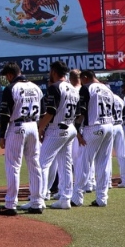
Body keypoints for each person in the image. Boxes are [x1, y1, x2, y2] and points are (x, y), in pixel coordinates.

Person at [0, 61, 44, 215]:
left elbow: (4, 114)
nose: (6, 78)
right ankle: (37, 202)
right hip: (33, 126)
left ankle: (10, 204)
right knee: (35, 164)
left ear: (10, 74)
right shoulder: (36, 88)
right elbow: (43, 113)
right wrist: (40, 129)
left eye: (6, 76)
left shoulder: (11, 88)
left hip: (17, 127)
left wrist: (2, 135)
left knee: (13, 166)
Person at [73, 69, 118, 207]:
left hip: (93, 127)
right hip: (109, 126)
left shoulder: (87, 88)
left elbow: (82, 111)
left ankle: (77, 197)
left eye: (82, 78)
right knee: (104, 162)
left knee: (84, 162)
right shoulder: (108, 89)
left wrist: (77, 130)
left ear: (86, 77)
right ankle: (102, 198)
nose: (81, 81)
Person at [41, 61, 79, 210]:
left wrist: (40, 127)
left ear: (55, 72)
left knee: (42, 163)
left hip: (57, 129)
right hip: (70, 127)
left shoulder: (55, 87)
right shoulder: (74, 88)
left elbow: (50, 111)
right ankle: (65, 199)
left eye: (51, 71)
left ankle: (38, 198)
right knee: (65, 165)